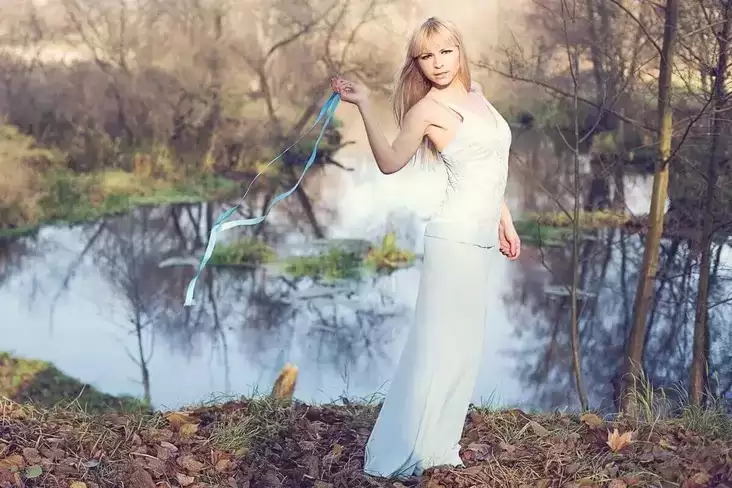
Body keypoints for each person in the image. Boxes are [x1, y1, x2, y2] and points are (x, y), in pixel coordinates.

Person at [331, 16, 520, 479]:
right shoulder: (427, 110)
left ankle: (439, 446)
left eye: (445, 51)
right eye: (426, 56)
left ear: (460, 51)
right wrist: (364, 105)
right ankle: (404, 451)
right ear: (417, 63)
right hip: (453, 237)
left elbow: (490, 168)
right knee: (438, 347)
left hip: (479, 236)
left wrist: (505, 219)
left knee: (464, 349)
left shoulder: (478, 97)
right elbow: (389, 162)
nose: (438, 63)